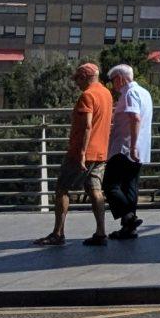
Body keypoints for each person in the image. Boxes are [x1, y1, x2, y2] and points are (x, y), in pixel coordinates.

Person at [40, 61, 112, 246]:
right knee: (95, 190)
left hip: (82, 153)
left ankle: (58, 234)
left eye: (78, 79)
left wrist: (81, 153)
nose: (76, 83)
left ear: (86, 77)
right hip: (100, 152)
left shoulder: (87, 96)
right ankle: (101, 233)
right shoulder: (106, 93)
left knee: (62, 189)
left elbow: (87, 125)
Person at [105, 62, 154, 240]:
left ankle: (129, 217)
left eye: (113, 80)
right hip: (139, 148)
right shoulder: (145, 93)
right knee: (130, 186)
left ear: (120, 78)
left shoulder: (130, 93)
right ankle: (128, 228)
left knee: (109, 185)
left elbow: (135, 117)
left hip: (125, 148)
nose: (112, 85)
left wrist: (132, 146)